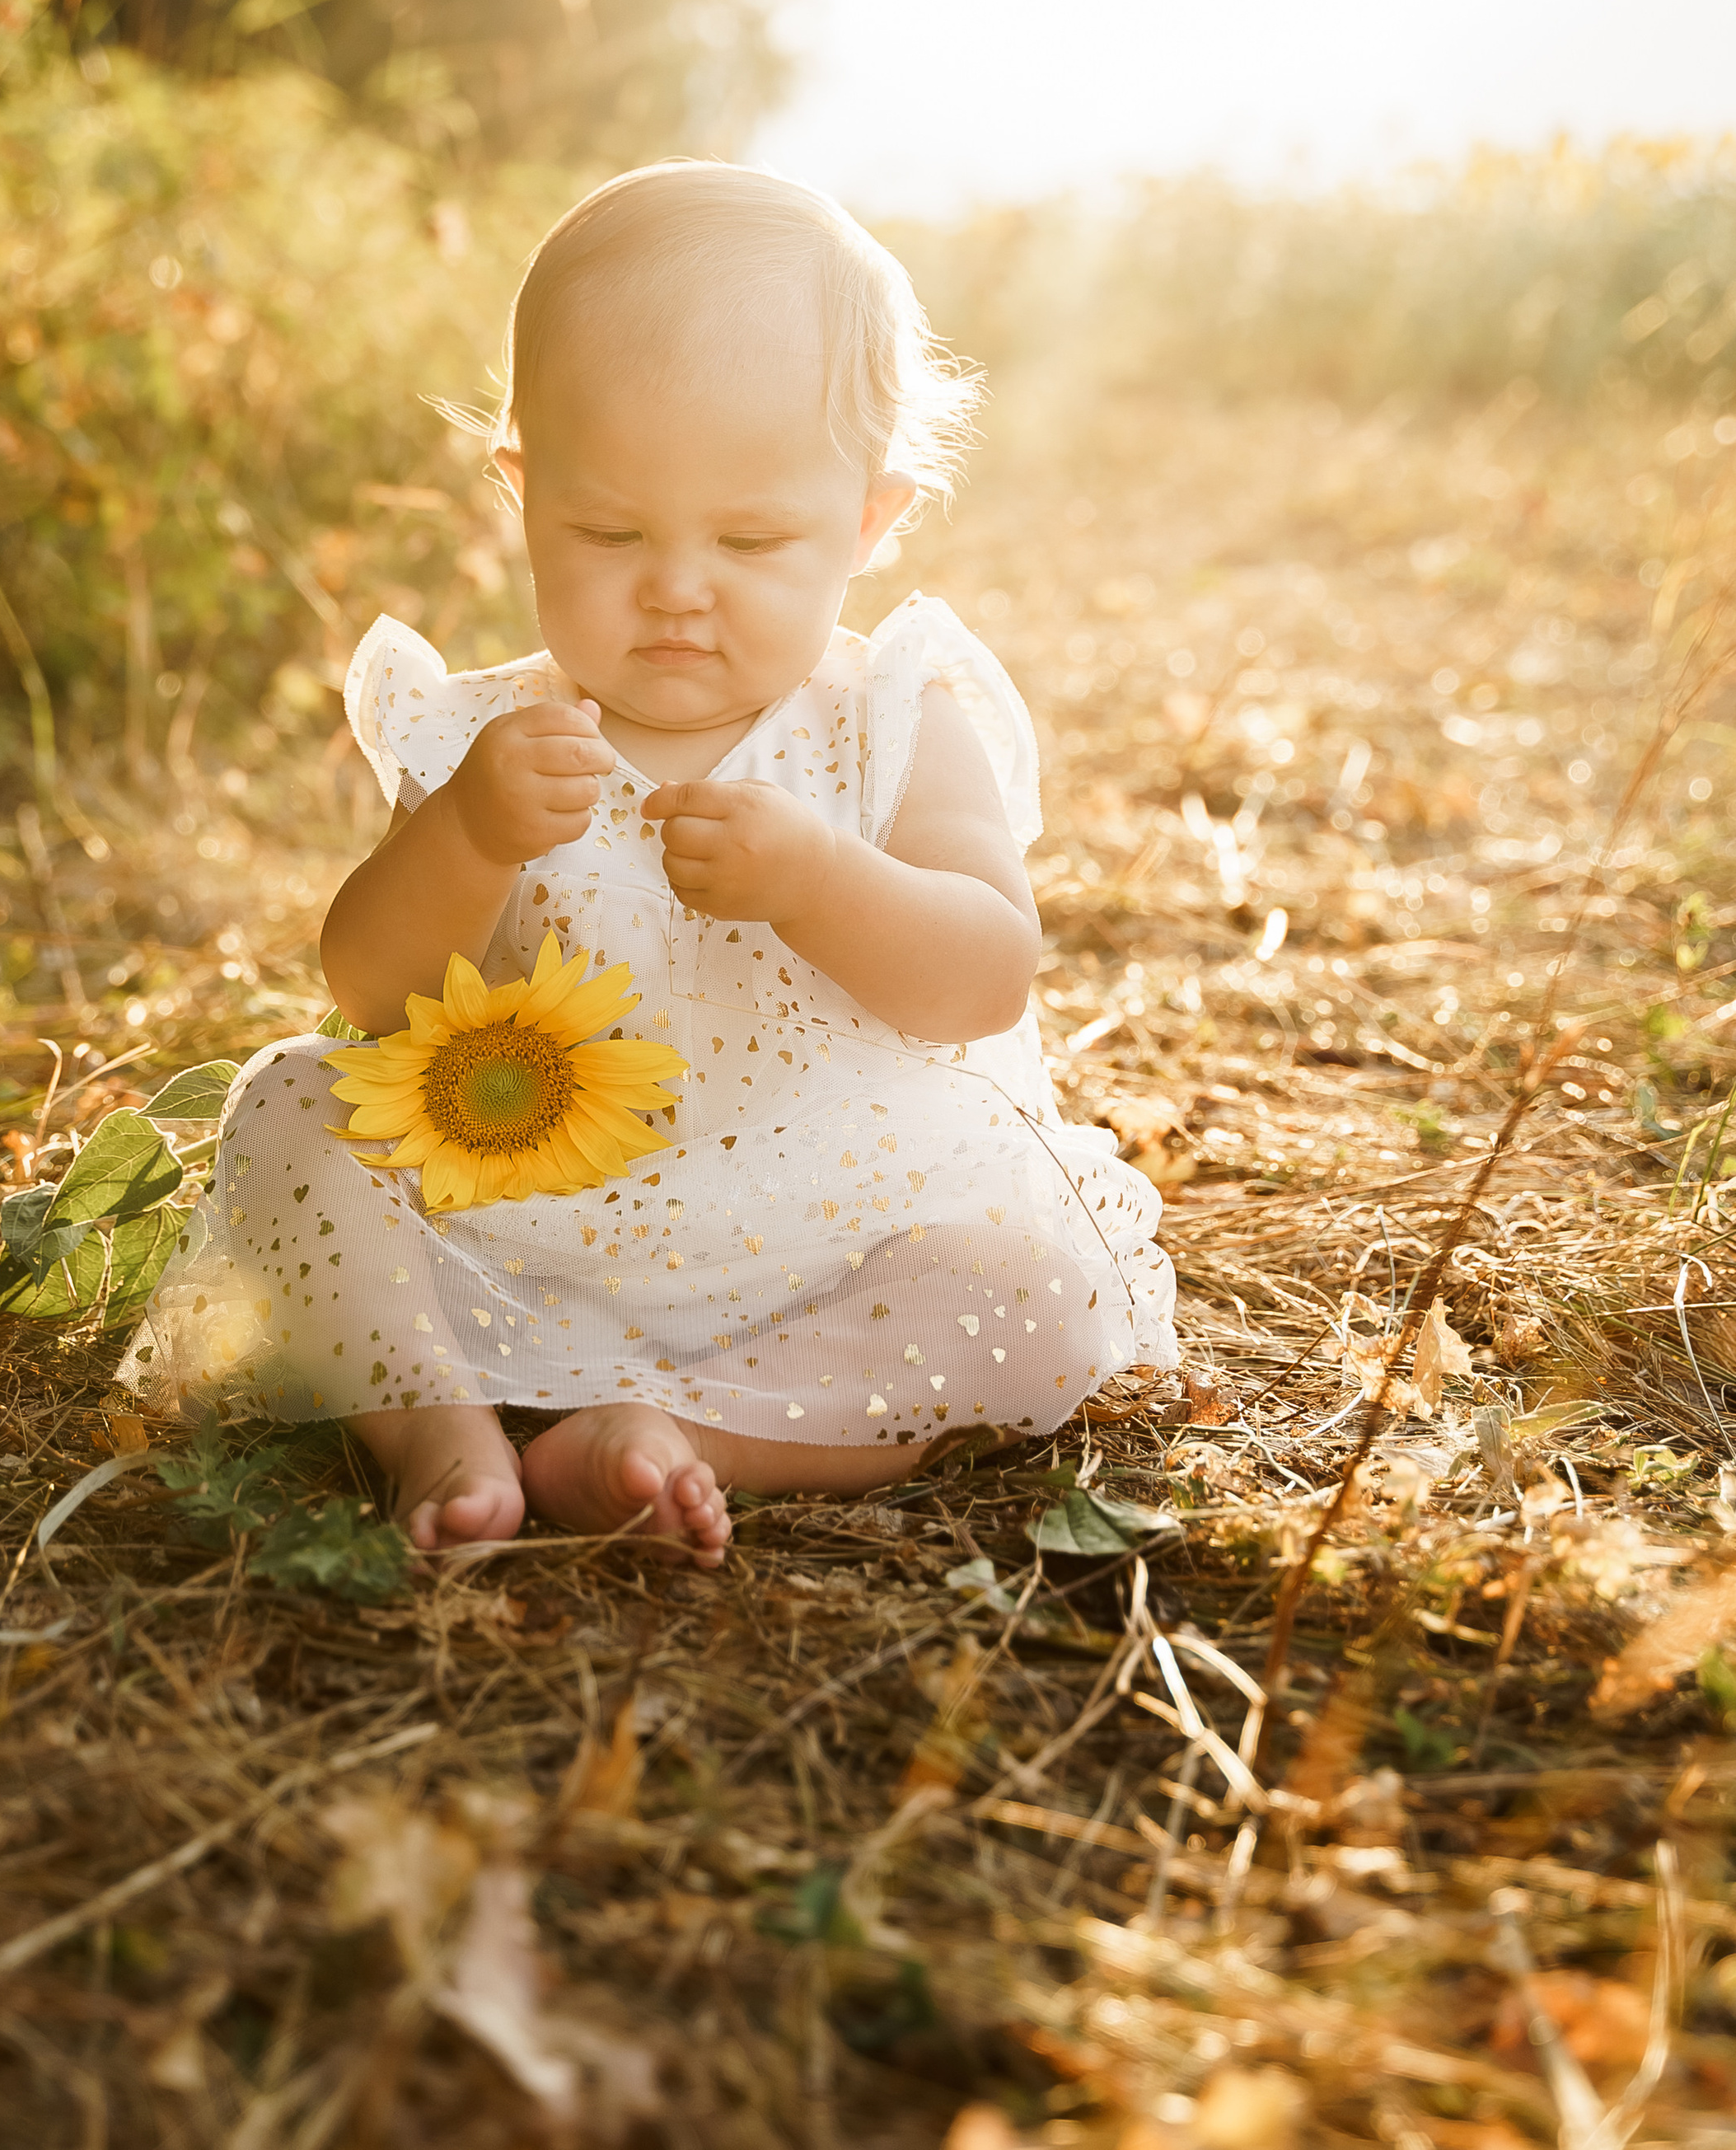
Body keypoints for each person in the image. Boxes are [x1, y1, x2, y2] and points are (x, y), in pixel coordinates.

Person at [122, 164, 1176, 1563]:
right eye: (608, 532)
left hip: (836, 1218)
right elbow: (370, 988)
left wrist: (821, 883)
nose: (679, 586)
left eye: (751, 539)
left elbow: (984, 975)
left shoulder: (888, 721)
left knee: (1031, 1283)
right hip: (513, 1201)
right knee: (291, 1111)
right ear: (522, 491)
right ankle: (436, 1417)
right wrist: (470, 833)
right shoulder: (486, 735)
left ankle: (678, 1430)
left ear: (869, 520)